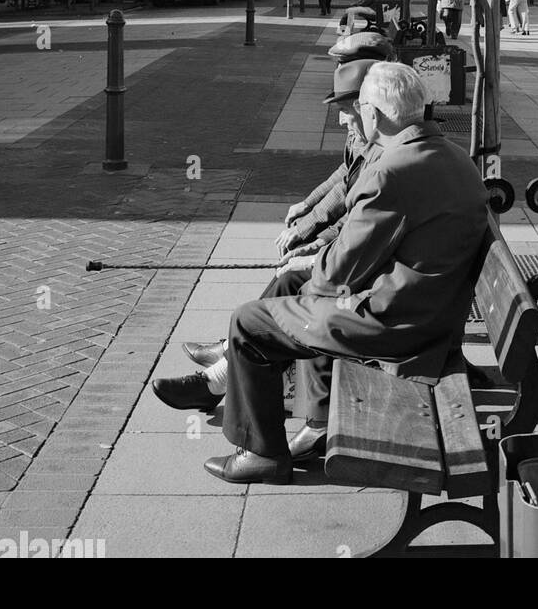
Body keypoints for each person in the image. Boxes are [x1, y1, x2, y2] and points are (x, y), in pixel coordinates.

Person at [199, 62, 489, 483]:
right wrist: (308, 280)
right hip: (431, 307)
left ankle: (262, 453)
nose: (356, 116)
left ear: (376, 114)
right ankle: (318, 420)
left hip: (397, 324)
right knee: (291, 288)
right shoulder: (453, 156)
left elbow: (336, 276)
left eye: (361, 108)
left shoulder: (394, 170)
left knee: (250, 322)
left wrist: (312, 277)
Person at [155, 33, 398, 445]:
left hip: (386, 295)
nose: (343, 119)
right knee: (289, 284)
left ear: (370, 99)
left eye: (349, 107)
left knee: (297, 289)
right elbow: (349, 193)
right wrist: (308, 226)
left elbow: (363, 225)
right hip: (380, 277)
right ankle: (231, 368)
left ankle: (242, 387)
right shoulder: (382, 138)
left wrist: (314, 252)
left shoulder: (390, 153)